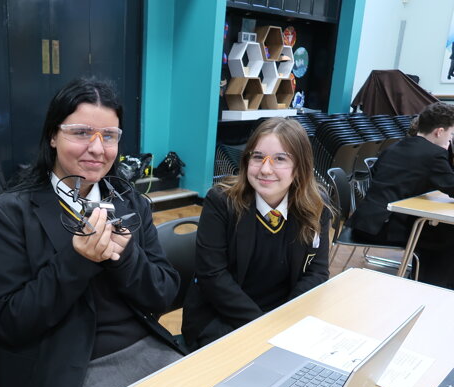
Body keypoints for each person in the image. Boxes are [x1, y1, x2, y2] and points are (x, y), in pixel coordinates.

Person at [0, 77, 185, 387]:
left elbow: (163, 294)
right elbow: (8, 322)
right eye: (81, 133)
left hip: (143, 348)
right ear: (52, 136)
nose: (97, 148)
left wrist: (125, 257)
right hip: (61, 369)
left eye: (109, 136)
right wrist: (77, 260)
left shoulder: (131, 202)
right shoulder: (9, 212)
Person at [182, 117, 331, 351]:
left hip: (283, 317)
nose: (265, 169)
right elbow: (213, 276)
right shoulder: (221, 201)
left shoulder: (315, 206)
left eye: (280, 159)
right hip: (222, 317)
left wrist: (285, 320)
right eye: (258, 157)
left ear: (300, 167)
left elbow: (317, 272)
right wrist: (263, 327)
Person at [348, 102, 454, 288]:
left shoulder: (395, 146)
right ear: (439, 132)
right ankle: (432, 288)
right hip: (384, 228)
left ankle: (425, 280)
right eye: (451, 134)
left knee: (440, 230)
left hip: (365, 222)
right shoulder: (434, 155)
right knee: (447, 234)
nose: (451, 140)